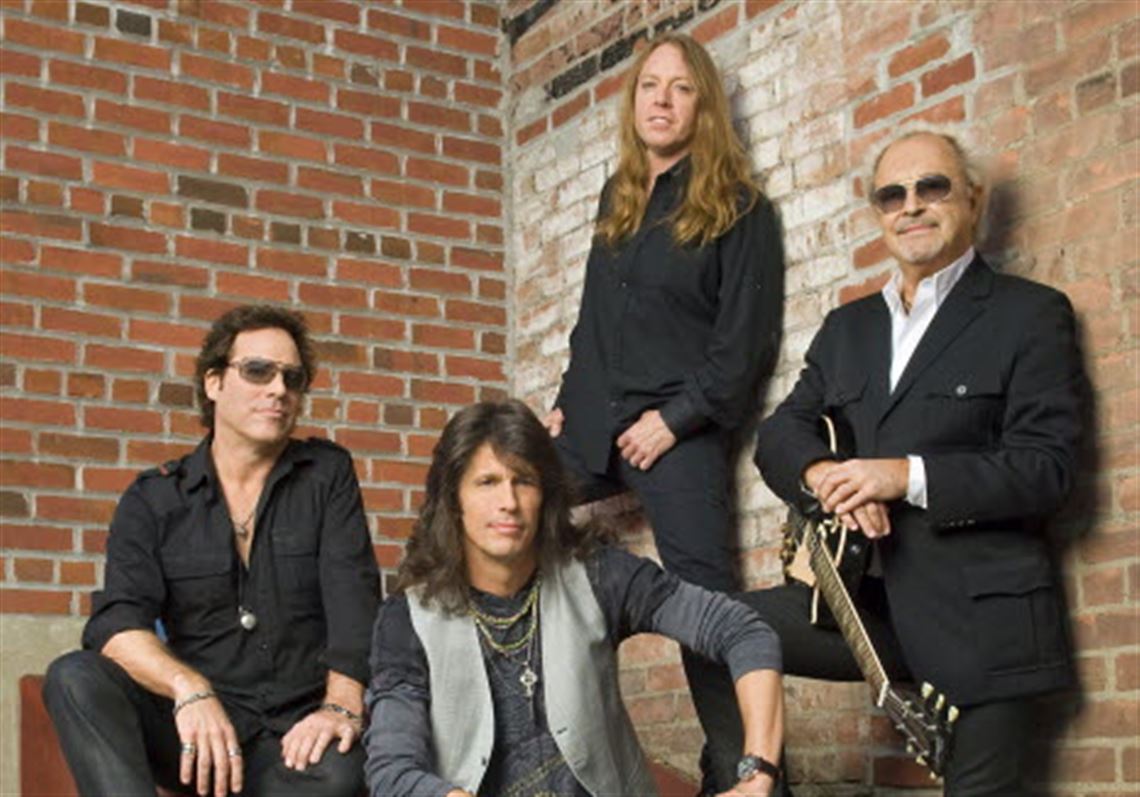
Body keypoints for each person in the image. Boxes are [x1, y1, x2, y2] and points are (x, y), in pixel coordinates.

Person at [742, 129, 1086, 794]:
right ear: (878, 213)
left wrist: (904, 475)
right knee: (713, 628)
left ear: (973, 200)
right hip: (865, 613)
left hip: (981, 626)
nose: (911, 206)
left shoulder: (1030, 314)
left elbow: (1049, 470)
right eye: (891, 195)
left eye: (932, 187)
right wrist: (826, 477)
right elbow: (780, 434)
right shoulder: (847, 329)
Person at [543, 33, 784, 790]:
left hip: (679, 433)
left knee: (704, 602)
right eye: (651, 85)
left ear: (702, 106)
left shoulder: (740, 208)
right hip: (591, 423)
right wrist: (563, 407)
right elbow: (590, 325)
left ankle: (745, 774)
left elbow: (744, 348)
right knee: (491, 502)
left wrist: (675, 420)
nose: (662, 99)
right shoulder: (616, 199)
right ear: (634, 100)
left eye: (681, 88)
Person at [364, 400, 785, 797]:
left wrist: (758, 772)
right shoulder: (409, 618)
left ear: (545, 495)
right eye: (487, 482)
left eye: (523, 481)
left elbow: (742, 631)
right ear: (453, 499)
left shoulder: (598, 574)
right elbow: (392, 771)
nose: (509, 502)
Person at [43, 305, 380, 797]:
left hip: (296, 744)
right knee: (74, 676)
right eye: (258, 371)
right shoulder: (155, 498)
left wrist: (340, 707)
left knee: (341, 774)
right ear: (214, 382)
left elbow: (355, 604)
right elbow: (116, 624)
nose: (278, 389)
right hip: (198, 738)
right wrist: (188, 688)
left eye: (292, 377)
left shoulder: (326, 476)